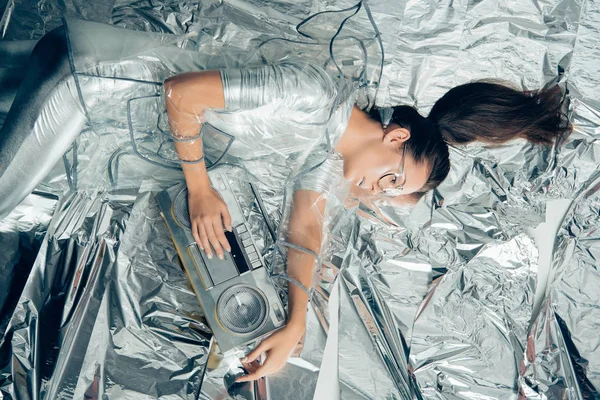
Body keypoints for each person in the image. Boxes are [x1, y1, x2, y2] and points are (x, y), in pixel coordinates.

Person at [163, 62, 571, 382]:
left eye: (388, 191)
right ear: (395, 137)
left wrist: (295, 324)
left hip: (157, 143)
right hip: (118, 90)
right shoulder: (315, 95)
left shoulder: (326, 155)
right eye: (391, 179)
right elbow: (180, 92)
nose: (378, 190)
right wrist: (200, 190)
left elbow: (306, 230)